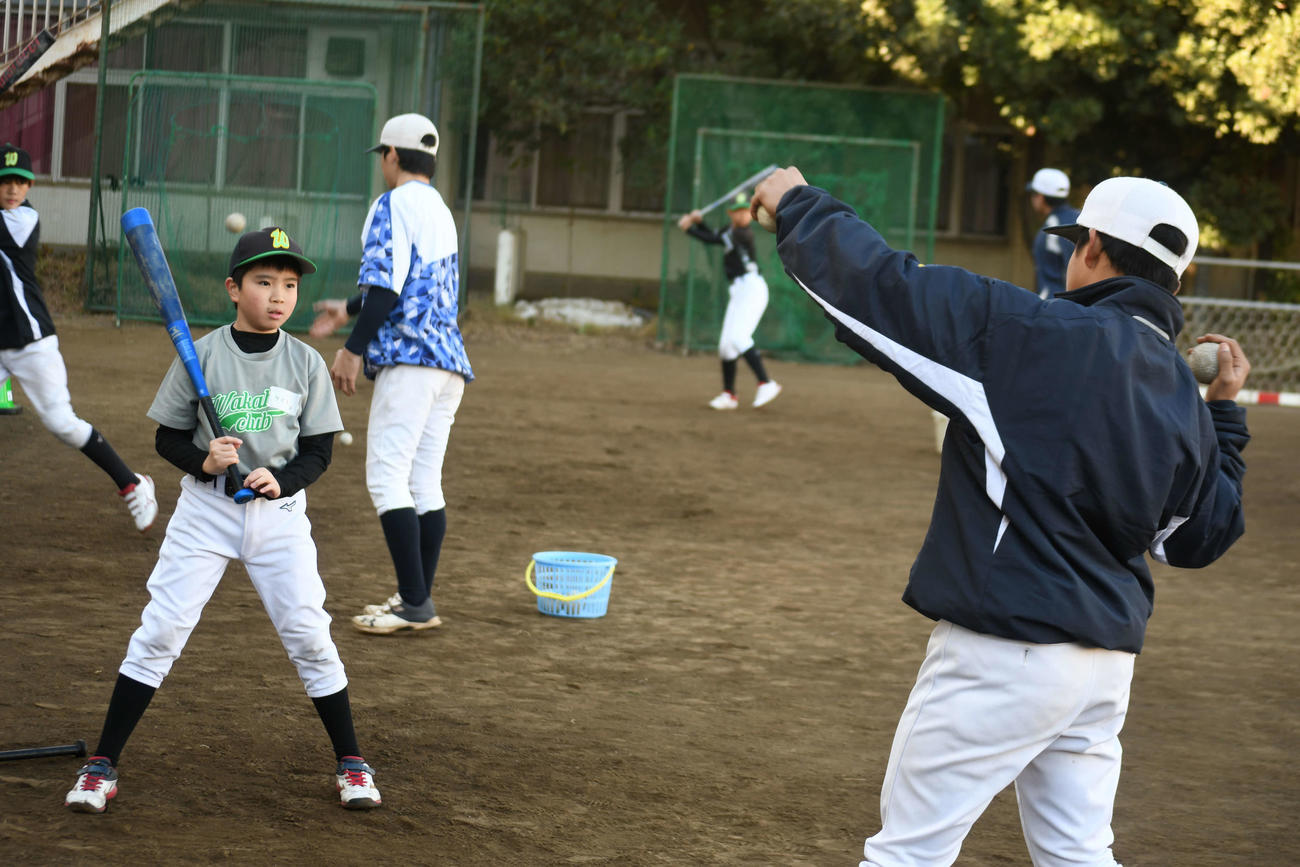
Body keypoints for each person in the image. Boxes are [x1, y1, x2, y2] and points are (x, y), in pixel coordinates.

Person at [752, 169, 1251, 866]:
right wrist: (1223, 414)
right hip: (1103, 664)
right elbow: (1201, 536)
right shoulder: (1181, 396)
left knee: (908, 854)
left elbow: (879, 290)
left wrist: (798, 204)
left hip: (1006, 647)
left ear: (1094, 248)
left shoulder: (1028, 329)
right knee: (1078, 854)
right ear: (1177, 277)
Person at [65, 227, 381, 813]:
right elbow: (167, 436)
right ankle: (102, 764)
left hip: (281, 516)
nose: (279, 295)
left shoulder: (305, 362)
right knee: (160, 630)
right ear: (235, 289)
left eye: (289, 284)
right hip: (205, 512)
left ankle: (352, 763)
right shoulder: (203, 353)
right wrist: (203, 460)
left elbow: (318, 451)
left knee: (310, 636)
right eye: (264, 282)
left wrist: (282, 479)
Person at [309, 113, 469, 635]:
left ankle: (415, 603)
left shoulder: (391, 203)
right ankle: (414, 598)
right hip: (448, 362)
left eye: (383, 156)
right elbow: (407, 281)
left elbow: (388, 288)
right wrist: (349, 310)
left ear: (392, 156)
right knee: (423, 480)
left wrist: (352, 350)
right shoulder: (439, 208)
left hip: (411, 360)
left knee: (386, 477)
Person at [0, 142, 157, 531]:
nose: (12, 190)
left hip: (30, 341)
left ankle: (132, 483)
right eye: (5, 182)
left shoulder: (24, 220)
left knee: (61, 423)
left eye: (20, 182)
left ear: (30, 186)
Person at [676, 194, 782, 410]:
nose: (743, 214)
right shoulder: (730, 231)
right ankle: (729, 396)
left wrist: (688, 228)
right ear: (731, 213)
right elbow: (714, 234)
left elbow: (710, 239)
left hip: (752, 289)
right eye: (738, 210)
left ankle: (766, 382)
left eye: (746, 210)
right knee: (726, 347)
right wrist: (699, 222)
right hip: (739, 291)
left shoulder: (742, 234)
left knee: (739, 337)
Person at [1027, 167, 1082, 299]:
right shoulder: (1080, 218)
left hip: (1055, 306)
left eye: (1033, 194)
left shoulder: (1052, 227)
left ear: (1040, 197)